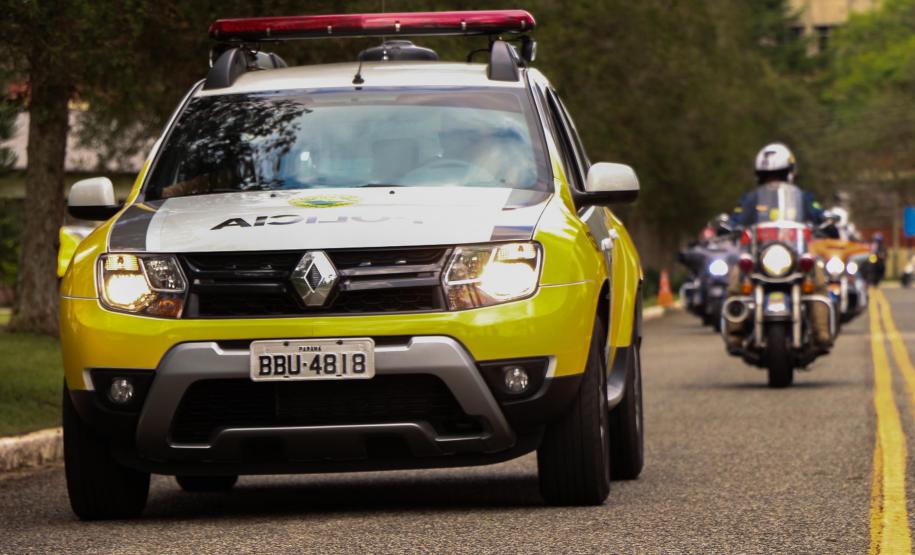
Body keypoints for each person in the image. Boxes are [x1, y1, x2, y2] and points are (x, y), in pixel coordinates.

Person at [724, 143, 832, 352]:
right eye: (767, 176)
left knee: (818, 279)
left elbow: (819, 216)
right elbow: (736, 219)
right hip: (760, 256)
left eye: (779, 175)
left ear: (789, 174)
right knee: (737, 278)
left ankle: (821, 331)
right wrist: (728, 226)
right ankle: (735, 332)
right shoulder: (750, 199)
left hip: (795, 255)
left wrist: (827, 223)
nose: (773, 180)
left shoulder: (804, 197)